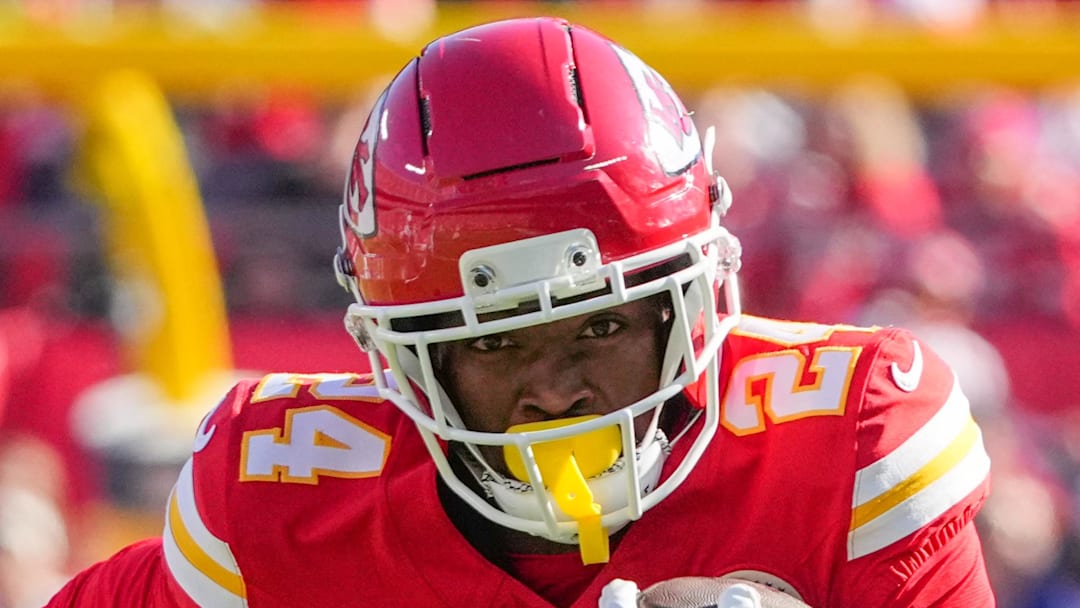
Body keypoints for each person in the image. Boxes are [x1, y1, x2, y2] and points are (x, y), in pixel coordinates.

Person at [46, 16, 994, 608]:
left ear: (691, 303)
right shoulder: (277, 503)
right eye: (495, 340)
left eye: (601, 323)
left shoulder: (852, 447)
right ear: (407, 359)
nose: (555, 388)